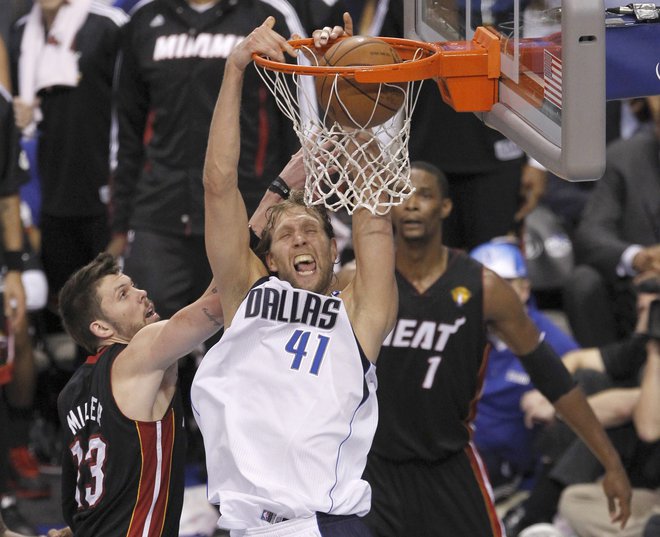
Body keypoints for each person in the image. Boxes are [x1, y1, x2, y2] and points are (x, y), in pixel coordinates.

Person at [336, 160, 631, 536]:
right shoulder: (356, 281)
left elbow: (553, 378)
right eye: (403, 194)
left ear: (445, 207)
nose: (411, 204)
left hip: (448, 466)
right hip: (370, 467)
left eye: (424, 195)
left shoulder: (484, 287)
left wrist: (611, 462)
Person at [190, 14, 398, 535]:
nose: (300, 237)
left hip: (323, 522)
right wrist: (235, 70)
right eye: (285, 235)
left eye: (311, 230)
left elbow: (374, 219)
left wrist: (343, 85)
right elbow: (218, 187)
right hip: (245, 526)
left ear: (333, 249)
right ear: (271, 259)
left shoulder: (359, 314)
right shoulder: (246, 293)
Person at [9, 0, 127, 347]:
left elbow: (134, 110)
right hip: (49, 192)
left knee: (111, 306)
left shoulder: (109, 26)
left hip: (104, 190)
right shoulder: (19, 34)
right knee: (70, 310)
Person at [507, 283, 660, 536]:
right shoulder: (642, 346)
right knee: (588, 381)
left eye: (652, 310)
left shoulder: (654, 351)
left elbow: (645, 422)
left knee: (610, 418)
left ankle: (537, 511)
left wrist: (559, 410)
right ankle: (545, 514)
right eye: (643, 309)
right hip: (643, 477)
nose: (644, 320)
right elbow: (579, 359)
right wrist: (546, 395)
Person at [469, 238, 579, 499]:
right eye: (480, 284)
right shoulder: (456, 330)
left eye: (504, 284)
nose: (490, 295)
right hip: (450, 450)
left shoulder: (552, 343)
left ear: (525, 289)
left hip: (507, 467)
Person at [563, 95, 660, 347]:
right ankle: (606, 374)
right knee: (583, 281)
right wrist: (638, 258)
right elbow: (591, 232)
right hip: (637, 292)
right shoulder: (625, 156)